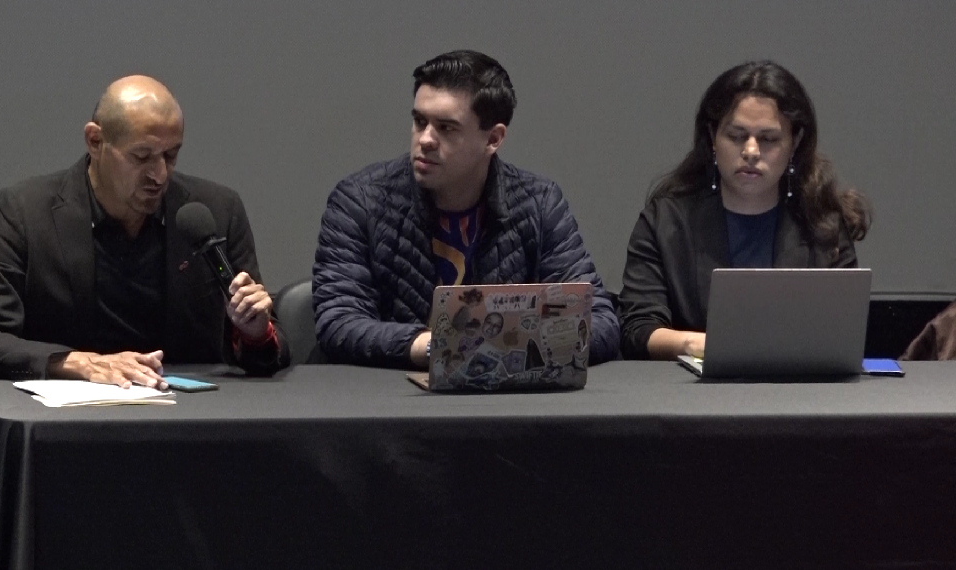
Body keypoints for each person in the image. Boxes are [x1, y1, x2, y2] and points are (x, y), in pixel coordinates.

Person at [0, 75, 289, 388]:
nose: (159, 175)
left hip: (189, 411)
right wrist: (77, 363)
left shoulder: (216, 211)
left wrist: (255, 333)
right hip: (69, 415)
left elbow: (270, 350)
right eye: (142, 157)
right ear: (95, 141)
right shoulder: (26, 212)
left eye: (171, 155)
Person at [313, 50, 620, 369]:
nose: (425, 140)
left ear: (493, 139)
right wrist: (441, 347)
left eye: (446, 128)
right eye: (420, 122)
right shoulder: (360, 200)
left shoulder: (539, 204)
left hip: (505, 395)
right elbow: (339, 323)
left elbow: (599, 322)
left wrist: (499, 349)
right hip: (389, 392)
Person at [618, 60, 871, 360]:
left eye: (768, 139)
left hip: (799, 385)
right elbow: (637, 328)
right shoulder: (665, 223)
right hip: (689, 384)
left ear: (795, 143)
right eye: (736, 136)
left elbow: (842, 334)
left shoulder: (824, 227)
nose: (751, 151)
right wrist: (697, 345)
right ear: (713, 136)